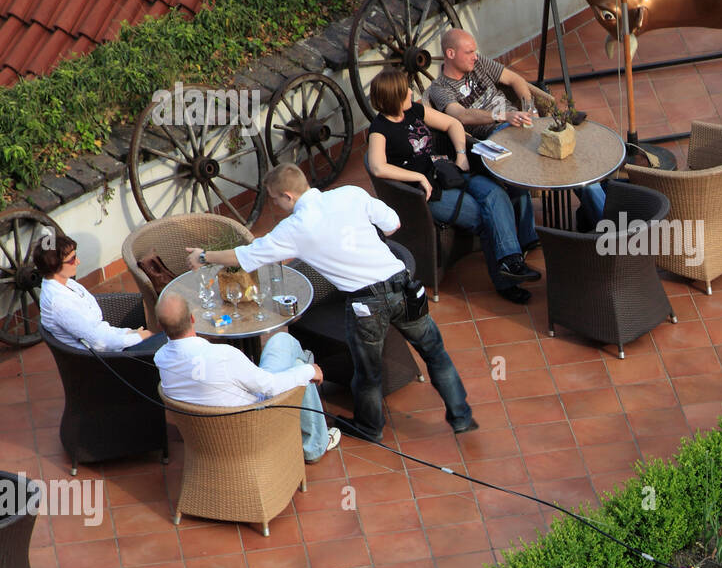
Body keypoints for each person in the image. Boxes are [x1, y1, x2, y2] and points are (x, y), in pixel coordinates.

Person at [184, 163, 476, 443]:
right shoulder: (351, 193)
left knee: (368, 372)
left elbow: (243, 256)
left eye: (275, 200)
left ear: (288, 196)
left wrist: (202, 256)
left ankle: (370, 427)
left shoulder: (294, 227)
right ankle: (461, 416)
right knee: (435, 352)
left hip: (366, 304)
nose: (276, 205)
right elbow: (392, 224)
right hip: (404, 287)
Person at [366, 67, 541, 305]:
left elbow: (453, 124)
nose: (410, 92)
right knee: (484, 217)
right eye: (405, 89)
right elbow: (377, 167)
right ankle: (505, 282)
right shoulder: (380, 130)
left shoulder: (415, 110)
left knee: (495, 193)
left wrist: (461, 154)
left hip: (445, 173)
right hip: (425, 195)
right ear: (393, 96)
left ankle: (512, 261)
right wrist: (417, 177)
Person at [426, 28, 607, 229]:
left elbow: (515, 80)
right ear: (450, 54)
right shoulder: (439, 88)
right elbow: (460, 115)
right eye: (469, 52)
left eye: (475, 51)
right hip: (497, 136)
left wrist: (531, 110)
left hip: (522, 123)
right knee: (521, 172)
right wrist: (503, 116)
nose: (475, 57)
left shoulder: (479, 64)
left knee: (574, 164)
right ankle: (530, 238)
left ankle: (608, 225)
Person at [153, 293, 341, 462]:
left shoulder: (160, 358)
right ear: (193, 318)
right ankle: (314, 446)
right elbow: (271, 387)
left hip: (206, 440)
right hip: (254, 427)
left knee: (291, 360)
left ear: (160, 326)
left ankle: (306, 365)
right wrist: (309, 371)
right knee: (292, 356)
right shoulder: (223, 356)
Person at [36, 234, 165, 353]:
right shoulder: (59, 303)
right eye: (72, 259)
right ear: (55, 265)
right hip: (110, 359)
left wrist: (128, 333)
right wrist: (138, 337)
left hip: (114, 341)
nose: (78, 262)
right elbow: (100, 343)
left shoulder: (66, 283)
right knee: (175, 340)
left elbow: (98, 329)